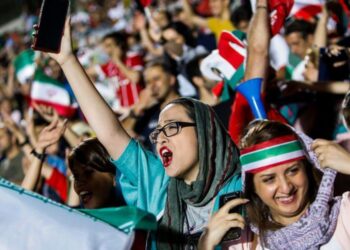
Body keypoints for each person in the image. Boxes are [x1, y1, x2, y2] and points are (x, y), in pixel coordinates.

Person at [38, 16, 242, 249]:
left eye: (172, 127)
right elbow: (111, 133)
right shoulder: (157, 182)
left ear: (205, 131)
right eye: (157, 132)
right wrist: (67, 60)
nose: (161, 136)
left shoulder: (241, 184)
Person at [199, 119, 350, 249]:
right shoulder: (244, 242)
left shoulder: (344, 215)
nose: (286, 188)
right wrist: (205, 245)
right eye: (269, 179)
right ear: (252, 187)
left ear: (307, 169)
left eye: (293, 171)